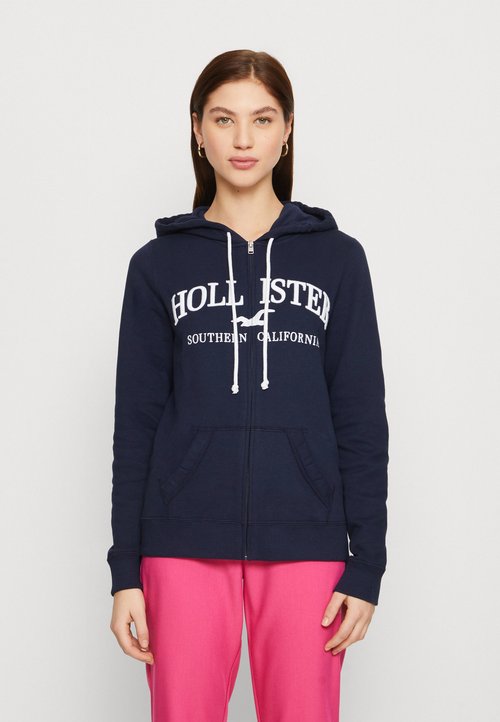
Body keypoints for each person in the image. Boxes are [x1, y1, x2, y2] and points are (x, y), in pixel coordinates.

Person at [107, 49, 389, 722]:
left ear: (287, 130)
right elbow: (135, 425)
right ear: (197, 130)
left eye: (262, 119)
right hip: (179, 541)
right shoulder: (157, 266)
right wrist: (124, 573)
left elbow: (360, 420)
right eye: (223, 118)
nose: (242, 139)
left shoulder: (338, 259)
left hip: (308, 541)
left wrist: (367, 564)